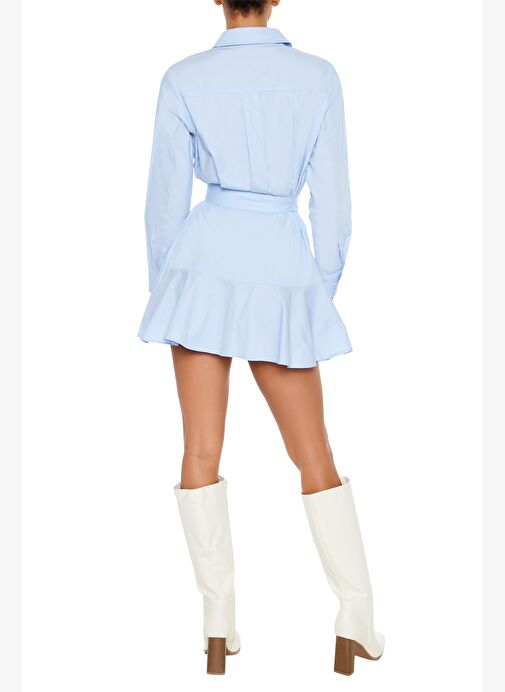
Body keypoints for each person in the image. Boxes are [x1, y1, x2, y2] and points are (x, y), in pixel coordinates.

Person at [137, 0, 385, 676]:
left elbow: (164, 203)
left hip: (201, 267)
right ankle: (355, 616)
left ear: (217, 0)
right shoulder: (317, 76)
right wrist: (314, 291)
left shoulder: (183, 76)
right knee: (314, 453)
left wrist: (168, 290)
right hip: (280, 268)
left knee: (199, 450)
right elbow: (333, 205)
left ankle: (217, 624)